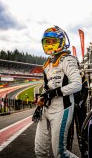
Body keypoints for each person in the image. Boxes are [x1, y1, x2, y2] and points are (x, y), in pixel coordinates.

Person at [34, 25, 82, 158]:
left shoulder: (68, 59)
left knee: (60, 153)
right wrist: (42, 97)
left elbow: (77, 85)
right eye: (47, 42)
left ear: (61, 42)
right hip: (46, 108)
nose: (49, 45)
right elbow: (47, 87)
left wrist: (55, 92)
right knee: (40, 151)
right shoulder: (46, 64)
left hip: (63, 107)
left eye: (53, 41)